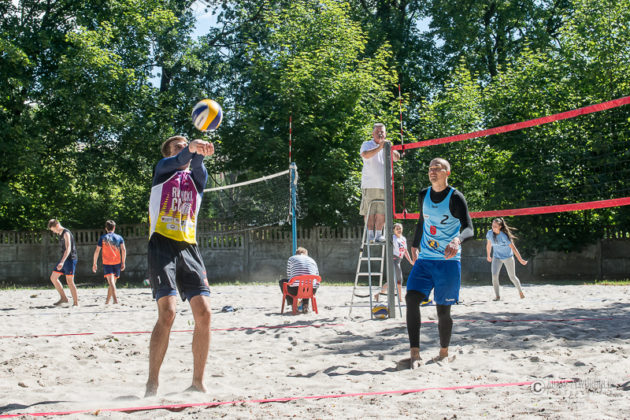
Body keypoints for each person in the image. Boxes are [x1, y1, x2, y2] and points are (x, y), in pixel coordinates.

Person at [145, 135, 215, 397]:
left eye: (186, 144)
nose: (183, 148)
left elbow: (197, 165)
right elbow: (180, 159)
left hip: (189, 247)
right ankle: (152, 383)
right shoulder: (163, 169)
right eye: (178, 146)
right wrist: (192, 148)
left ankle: (197, 382)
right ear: (168, 153)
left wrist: (201, 151)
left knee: (205, 313)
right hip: (162, 245)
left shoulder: (197, 177)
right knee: (168, 313)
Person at [401, 158, 473, 369]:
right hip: (425, 259)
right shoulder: (423, 194)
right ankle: (415, 353)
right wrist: (415, 244)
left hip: (448, 262)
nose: (432, 171)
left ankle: (443, 353)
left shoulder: (455, 197)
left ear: (447, 172)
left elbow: (469, 228)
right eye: (430, 168)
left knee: (443, 311)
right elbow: (422, 221)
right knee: (411, 298)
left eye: (437, 168)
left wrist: (457, 240)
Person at [360, 123, 400, 242]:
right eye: (377, 132)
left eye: (382, 132)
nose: (380, 134)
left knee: (382, 212)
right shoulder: (367, 144)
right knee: (369, 211)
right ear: (373, 134)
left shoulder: (387, 145)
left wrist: (389, 147)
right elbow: (365, 155)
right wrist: (379, 147)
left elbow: (397, 158)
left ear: (385, 134)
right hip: (370, 184)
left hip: (385, 185)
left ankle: (378, 235)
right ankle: (370, 235)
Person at [486, 217, 527, 300]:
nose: (493, 228)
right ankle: (497, 296)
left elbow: (513, 248)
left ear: (500, 227)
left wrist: (520, 259)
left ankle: (520, 292)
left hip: (508, 257)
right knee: (494, 275)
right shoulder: (490, 233)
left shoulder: (504, 236)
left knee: (512, 277)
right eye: (492, 226)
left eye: (495, 226)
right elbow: (488, 245)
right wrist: (488, 255)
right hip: (496, 257)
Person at [374, 223, 413, 302]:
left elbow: (405, 251)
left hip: (399, 260)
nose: (399, 230)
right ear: (394, 230)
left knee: (392, 281)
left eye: (400, 228)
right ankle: (400, 298)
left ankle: (378, 294)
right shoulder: (392, 238)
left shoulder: (403, 239)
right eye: (397, 229)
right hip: (394, 259)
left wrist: (410, 261)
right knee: (399, 279)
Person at [92, 220, 126, 304]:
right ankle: (107, 301)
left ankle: (115, 300)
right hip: (117, 262)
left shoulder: (103, 237)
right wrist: (123, 262)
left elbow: (97, 251)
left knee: (111, 283)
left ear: (106, 228)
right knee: (112, 283)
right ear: (114, 228)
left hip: (107, 263)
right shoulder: (119, 237)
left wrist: (94, 263)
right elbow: (123, 250)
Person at [47, 219, 79, 306]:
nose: (53, 232)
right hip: (64, 259)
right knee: (53, 278)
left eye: (53, 229)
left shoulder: (66, 233)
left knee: (70, 281)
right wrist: (62, 261)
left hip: (70, 259)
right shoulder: (60, 233)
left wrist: (62, 261)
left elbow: (68, 248)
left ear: (57, 225)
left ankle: (76, 303)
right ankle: (64, 298)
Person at [279, 247, 320, 314]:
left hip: (295, 290)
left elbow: (289, 275)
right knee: (308, 283)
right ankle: (305, 305)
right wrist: (315, 288)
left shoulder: (291, 259)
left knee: (282, 282)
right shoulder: (312, 261)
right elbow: (317, 277)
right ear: (306, 254)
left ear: (296, 254)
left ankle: (293, 304)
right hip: (311, 291)